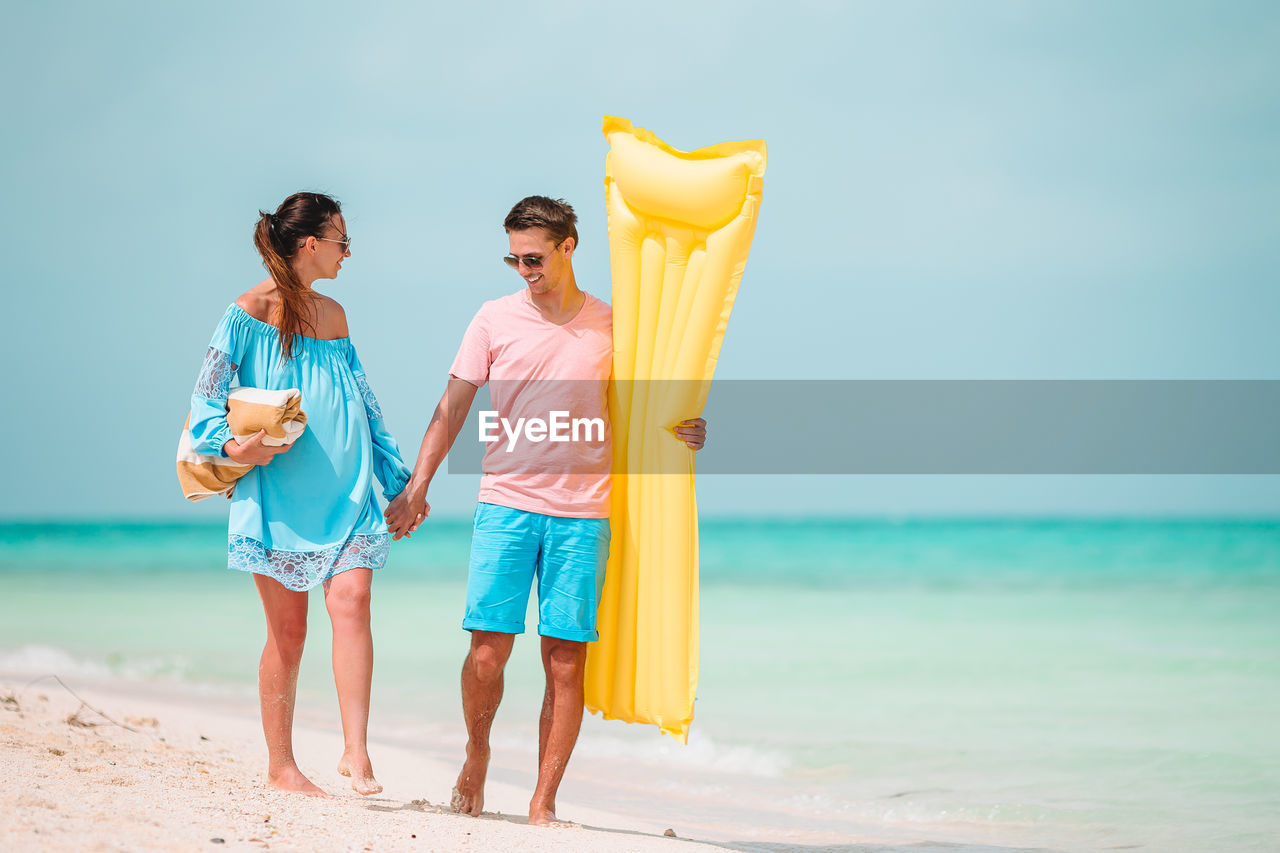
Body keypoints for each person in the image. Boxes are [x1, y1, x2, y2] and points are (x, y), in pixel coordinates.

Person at [384, 196, 706, 826]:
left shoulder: (613, 325)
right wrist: (418, 484)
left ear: (568, 247)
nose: (523, 269)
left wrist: (686, 430)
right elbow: (450, 408)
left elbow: (647, 414)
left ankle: (543, 801)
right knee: (488, 651)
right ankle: (476, 753)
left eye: (533, 257)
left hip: (584, 512)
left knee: (565, 659)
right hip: (507, 504)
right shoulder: (492, 319)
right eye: (514, 258)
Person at [186, 191, 420, 798]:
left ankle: (356, 752)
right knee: (288, 635)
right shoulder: (245, 313)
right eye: (343, 239)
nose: (349, 251)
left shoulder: (335, 316)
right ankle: (282, 767)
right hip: (277, 496)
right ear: (310, 242)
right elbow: (204, 401)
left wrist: (401, 486)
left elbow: (365, 408)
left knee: (354, 602)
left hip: (348, 492)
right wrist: (238, 450)